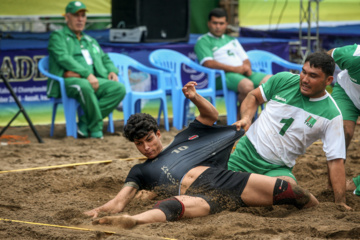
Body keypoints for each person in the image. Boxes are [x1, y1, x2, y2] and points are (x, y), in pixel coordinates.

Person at [84, 81, 318, 229]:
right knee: (172, 207)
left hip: (219, 181)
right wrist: (98, 210)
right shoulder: (140, 171)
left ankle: (320, 212)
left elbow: (211, 115)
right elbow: (119, 201)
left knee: (294, 192)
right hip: (206, 200)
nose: (146, 147)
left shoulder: (185, 138)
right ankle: (135, 221)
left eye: (149, 139)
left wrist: (194, 97)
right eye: (139, 144)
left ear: (157, 133)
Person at [228, 52, 351, 209]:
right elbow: (253, 96)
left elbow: (336, 161)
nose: (305, 79)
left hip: (276, 168)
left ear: (328, 80)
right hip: (243, 156)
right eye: (303, 72)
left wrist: (340, 202)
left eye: (313, 76)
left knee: (291, 189)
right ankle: (248, 191)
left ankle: (245, 191)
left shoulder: (332, 115)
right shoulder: (284, 80)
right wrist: (246, 119)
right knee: (212, 180)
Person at [47, 1, 126, 139]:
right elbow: (63, 58)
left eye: (83, 15)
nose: (80, 19)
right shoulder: (58, 36)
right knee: (84, 85)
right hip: (67, 81)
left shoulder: (90, 40)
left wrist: (112, 71)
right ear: (67, 17)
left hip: (94, 79)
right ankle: (96, 130)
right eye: (76, 15)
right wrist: (87, 74)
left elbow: (105, 58)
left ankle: (84, 123)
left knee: (118, 88)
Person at [194, 8, 271, 118]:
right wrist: (236, 69)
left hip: (242, 74)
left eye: (221, 23)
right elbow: (208, 63)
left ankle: (242, 116)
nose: (218, 26)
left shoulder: (232, 40)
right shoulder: (203, 41)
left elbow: (245, 59)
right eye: (215, 23)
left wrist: (247, 67)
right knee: (247, 86)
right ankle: (243, 120)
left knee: (271, 82)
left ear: (226, 24)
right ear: (209, 23)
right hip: (221, 76)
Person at [327, 44, 360, 196]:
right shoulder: (353, 55)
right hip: (348, 93)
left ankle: (356, 183)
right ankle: (333, 182)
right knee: (343, 131)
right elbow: (328, 56)